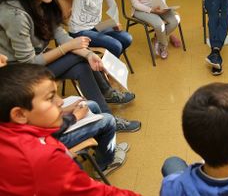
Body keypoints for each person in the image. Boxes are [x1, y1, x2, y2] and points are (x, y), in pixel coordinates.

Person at [0, 0, 140, 132]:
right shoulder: (15, 15)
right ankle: (107, 100)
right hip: (17, 74)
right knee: (76, 56)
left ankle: (107, 117)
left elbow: (60, 34)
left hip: (38, 61)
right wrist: (69, 49)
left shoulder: (41, 2)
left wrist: (89, 55)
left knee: (82, 65)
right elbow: (29, 62)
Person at [0, 63, 140, 195]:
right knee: (107, 121)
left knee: (90, 105)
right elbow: (96, 193)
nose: (60, 101)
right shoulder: (45, 159)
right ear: (18, 114)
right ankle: (105, 163)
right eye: (50, 98)